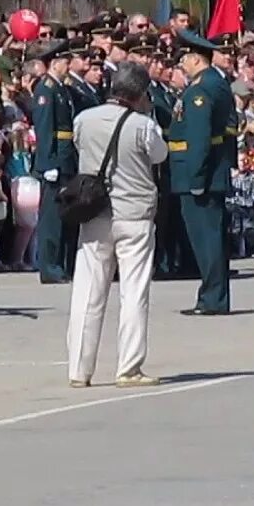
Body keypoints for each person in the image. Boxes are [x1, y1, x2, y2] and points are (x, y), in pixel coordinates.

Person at [65, 62, 168, 388]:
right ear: (140, 94)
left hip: (94, 211)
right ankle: (129, 367)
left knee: (87, 293)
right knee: (133, 292)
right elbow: (159, 155)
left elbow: (78, 145)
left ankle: (79, 370)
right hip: (133, 214)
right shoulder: (143, 126)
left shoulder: (84, 119)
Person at [168, 30, 233, 315]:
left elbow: (199, 138)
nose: (181, 64)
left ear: (196, 59)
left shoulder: (200, 90)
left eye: (184, 59)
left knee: (206, 239)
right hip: (211, 172)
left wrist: (196, 178)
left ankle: (212, 298)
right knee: (212, 238)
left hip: (199, 176)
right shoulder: (214, 83)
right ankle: (214, 296)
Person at [29, 38, 79, 284]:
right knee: (51, 217)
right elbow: (45, 128)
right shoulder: (45, 90)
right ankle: (49, 267)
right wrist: (48, 163)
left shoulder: (61, 89)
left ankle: (60, 264)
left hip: (66, 156)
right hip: (55, 158)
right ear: (54, 63)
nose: (68, 65)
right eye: (64, 61)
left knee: (63, 214)